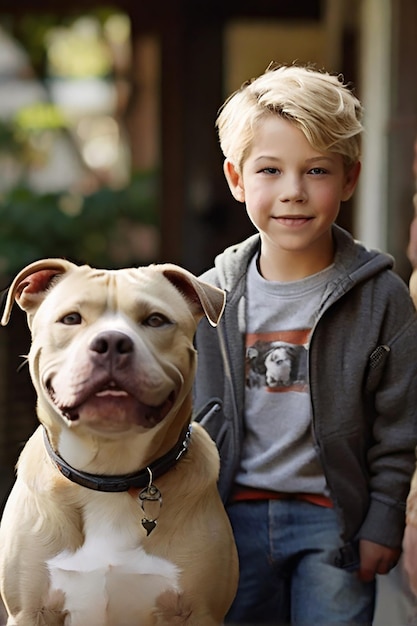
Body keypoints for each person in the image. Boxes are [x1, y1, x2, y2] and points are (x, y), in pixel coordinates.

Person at [192, 63, 417, 626]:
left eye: (316, 169)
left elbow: (399, 426)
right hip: (229, 517)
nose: (293, 191)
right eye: (270, 170)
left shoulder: (382, 298)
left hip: (334, 522)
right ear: (237, 179)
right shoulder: (210, 296)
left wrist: (384, 521)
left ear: (349, 178)